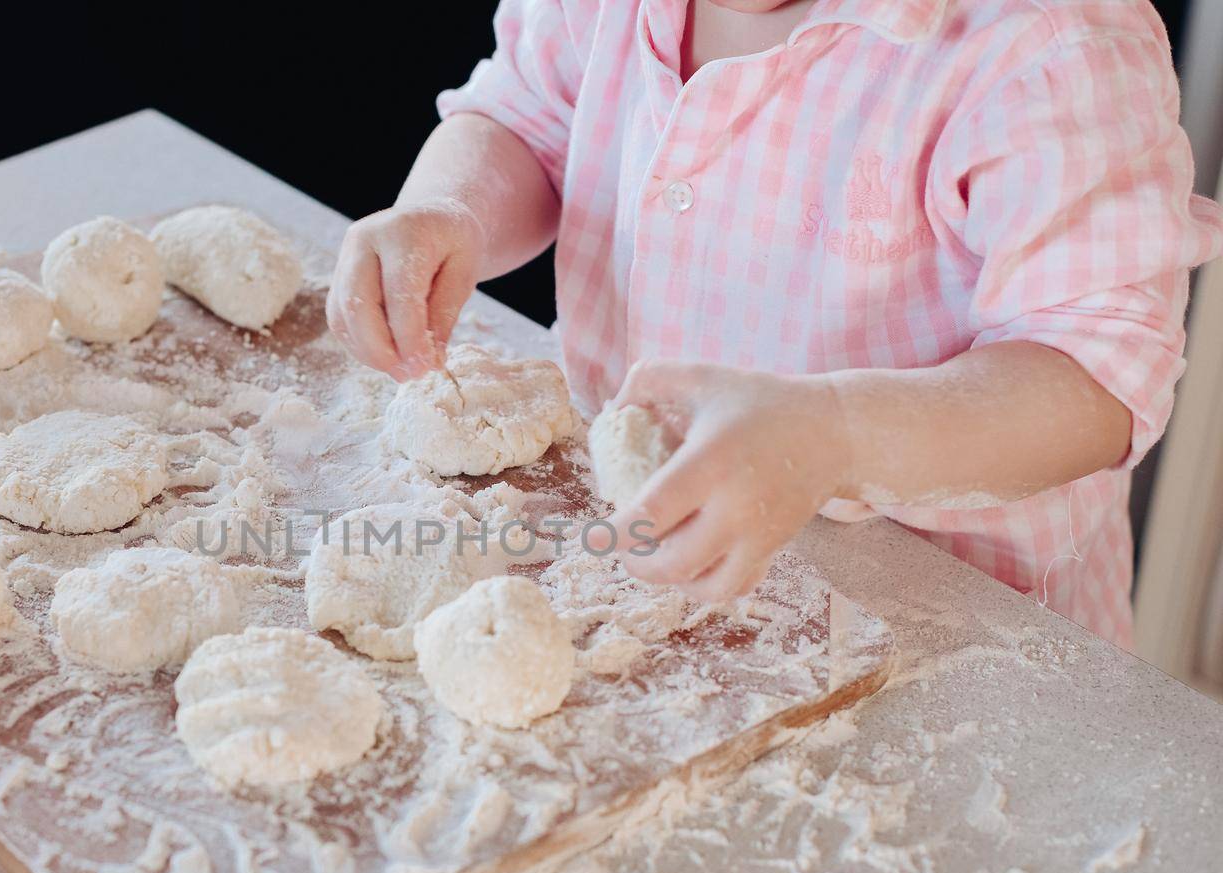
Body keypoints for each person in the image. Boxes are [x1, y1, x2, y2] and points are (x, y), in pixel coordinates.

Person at [325, 0, 1223, 648]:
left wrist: (832, 434)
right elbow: (525, 119)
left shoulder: (1052, 44)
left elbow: (1091, 376)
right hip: (653, 574)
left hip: (959, 645)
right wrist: (450, 210)